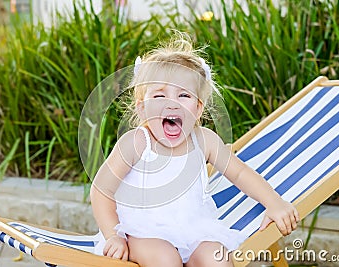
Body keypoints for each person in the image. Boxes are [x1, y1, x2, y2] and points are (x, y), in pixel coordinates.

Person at [90, 32, 299, 267]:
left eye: (184, 95)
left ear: (198, 109)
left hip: (195, 230)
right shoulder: (137, 143)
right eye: (160, 95)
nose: (172, 103)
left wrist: (274, 202)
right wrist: (113, 236)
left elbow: (239, 173)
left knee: (216, 258)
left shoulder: (205, 140)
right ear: (142, 108)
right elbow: (101, 191)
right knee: (166, 260)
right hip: (143, 232)